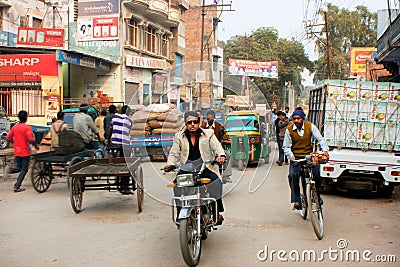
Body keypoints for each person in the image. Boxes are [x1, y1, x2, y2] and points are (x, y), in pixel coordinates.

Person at [164, 111, 226, 225]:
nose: (192, 124)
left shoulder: (209, 133)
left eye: (195, 122)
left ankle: (216, 213)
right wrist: (170, 164)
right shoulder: (179, 136)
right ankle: (179, 213)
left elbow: (218, 147)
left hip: (205, 167)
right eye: (189, 122)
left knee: (216, 183)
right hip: (186, 169)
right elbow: (174, 153)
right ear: (185, 123)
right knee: (177, 186)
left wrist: (221, 156)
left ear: (199, 122)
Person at [282, 109, 329, 210]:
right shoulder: (289, 130)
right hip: (296, 158)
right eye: (294, 119)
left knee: (316, 175)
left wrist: (324, 150)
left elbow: (320, 139)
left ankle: (317, 197)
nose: (296, 121)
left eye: (298, 119)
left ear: (302, 119)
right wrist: (291, 156)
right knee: (292, 176)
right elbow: (285, 146)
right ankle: (297, 200)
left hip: (309, 156)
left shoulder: (310, 126)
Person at [6, 110, 39, 192]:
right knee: (24, 169)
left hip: (17, 151)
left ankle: (10, 169)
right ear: (26, 118)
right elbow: (30, 139)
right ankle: (17, 186)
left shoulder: (14, 127)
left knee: (19, 167)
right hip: (25, 151)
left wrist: (14, 142)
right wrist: (36, 146)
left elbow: (8, 138)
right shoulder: (27, 127)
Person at [108, 105, 134, 195]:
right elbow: (128, 131)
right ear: (129, 113)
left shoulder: (114, 118)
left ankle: (115, 174)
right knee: (126, 164)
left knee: (115, 160)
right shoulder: (130, 120)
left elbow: (111, 130)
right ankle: (125, 186)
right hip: (125, 144)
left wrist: (109, 142)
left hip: (114, 143)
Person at [201, 110, 232, 183]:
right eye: (208, 118)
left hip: (217, 149)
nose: (210, 119)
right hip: (205, 149)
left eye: (211, 118)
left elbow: (224, 136)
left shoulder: (219, 126)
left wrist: (226, 140)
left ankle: (226, 175)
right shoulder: (203, 127)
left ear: (214, 118)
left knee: (227, 155)